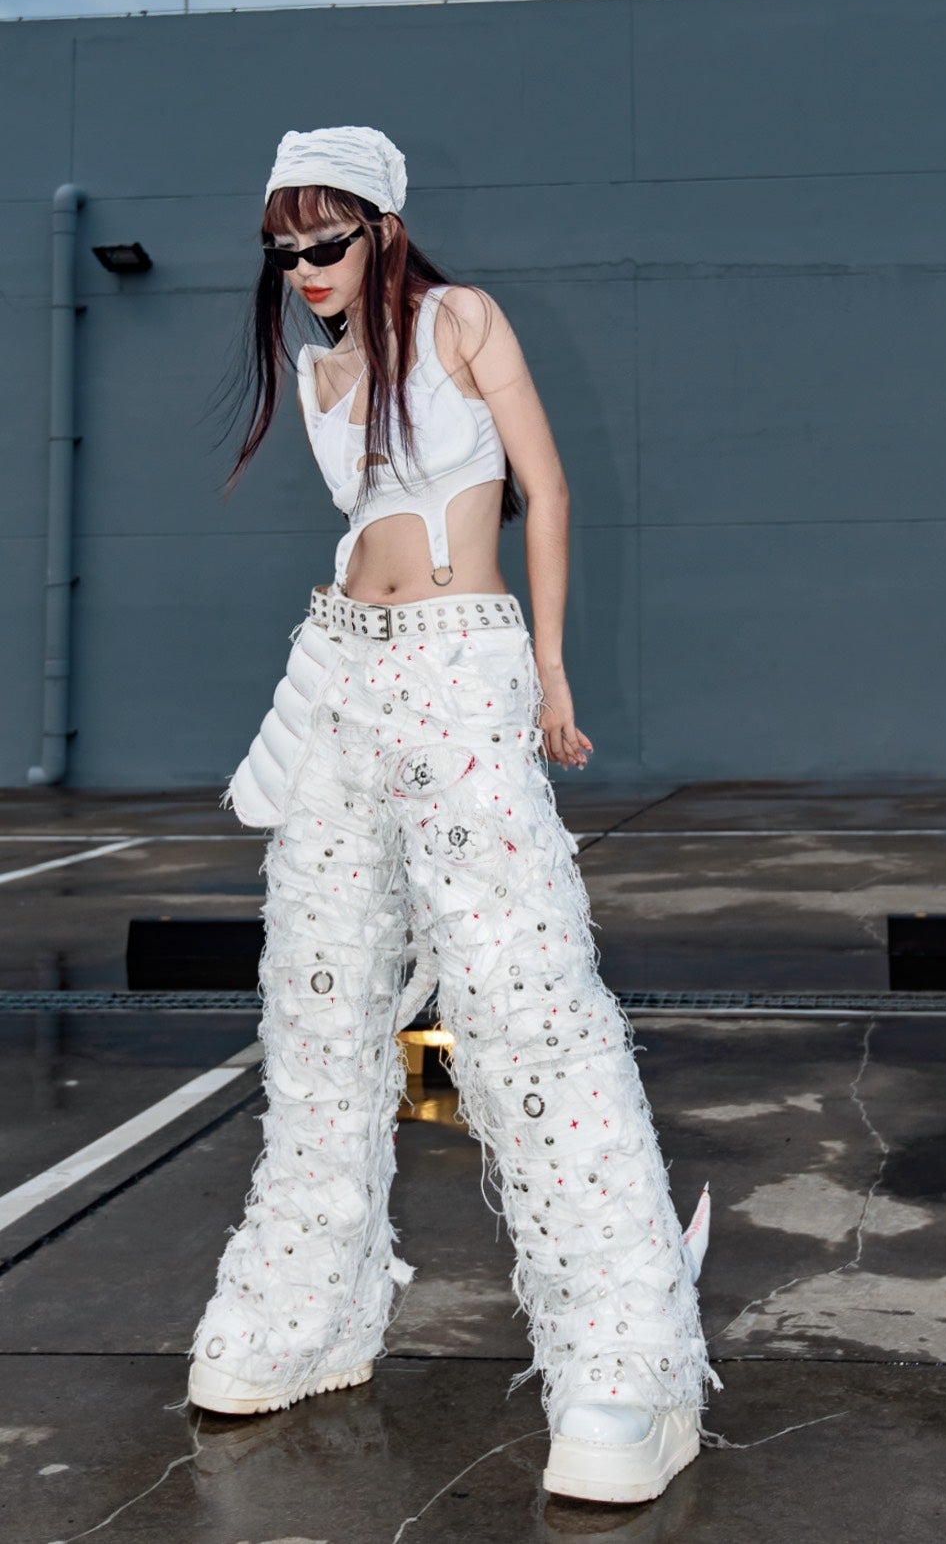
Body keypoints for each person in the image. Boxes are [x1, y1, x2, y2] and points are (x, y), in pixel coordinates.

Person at [187, 125, 721, 1504]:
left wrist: (551, 670)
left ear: (383, 226)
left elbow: (546, 488)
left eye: (327, 240)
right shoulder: (323, 373)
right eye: (284, 249)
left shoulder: (460, 322)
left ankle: (632, 1349)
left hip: (460, 669)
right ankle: (311, 1299)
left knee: (521, 998)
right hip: (337, 673)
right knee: (316, 1004)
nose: (306, 268)